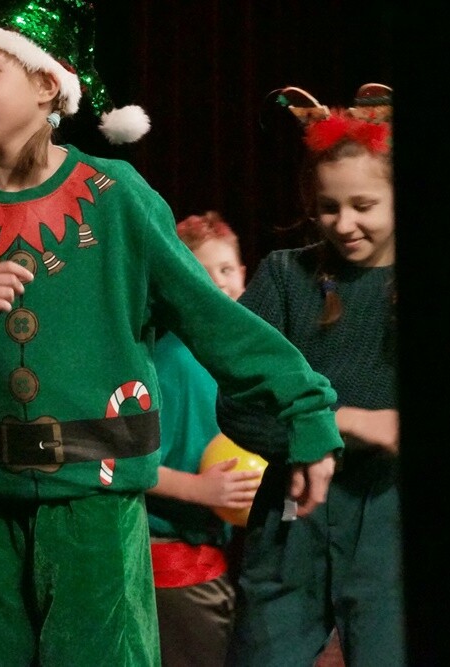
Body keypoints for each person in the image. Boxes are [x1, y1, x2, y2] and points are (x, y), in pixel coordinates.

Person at [0, 2, 344, 663]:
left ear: (47, 85)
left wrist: (305, 411)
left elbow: (215, 320)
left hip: (97, 507)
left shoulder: (115, 195)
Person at [216, 83, 403, 665]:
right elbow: (238, 402)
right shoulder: (284, 278)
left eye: (364, 206)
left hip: (392, 516)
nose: (344, 224)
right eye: (329, 207)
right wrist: (341, 422)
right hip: (294, 511)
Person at [146, 211, 260, 666]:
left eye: (226, 269)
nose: (217, 283)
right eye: (201, 272)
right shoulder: (172, 361)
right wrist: (199, 489)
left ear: (244, 275)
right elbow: (119, 460)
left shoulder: (238, 362)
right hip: (173, 567)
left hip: (210, 558)